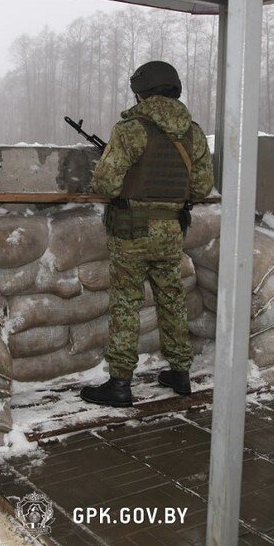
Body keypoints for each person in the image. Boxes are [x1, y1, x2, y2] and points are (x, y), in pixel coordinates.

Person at [80, 60, 214, 407]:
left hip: (132, 230)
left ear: (140, 92)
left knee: (127, 302)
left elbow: (107, 183)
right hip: (172, 229)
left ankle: (121, 383)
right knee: (171, 297)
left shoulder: (130, 129)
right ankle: (181, 373)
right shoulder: (193, 132)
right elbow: (200, 188)